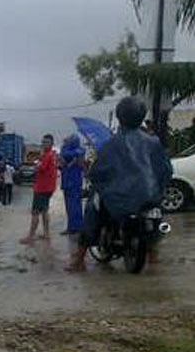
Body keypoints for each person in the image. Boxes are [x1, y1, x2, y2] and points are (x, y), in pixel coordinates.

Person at [66, 97, 173, 271]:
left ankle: (79, 258)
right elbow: (166, 170)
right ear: (140, 117)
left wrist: (93, 176)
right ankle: (154, 255)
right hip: (149, 196)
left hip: (119, 198)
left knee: (92, 210)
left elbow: (98, 172)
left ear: (119, 116)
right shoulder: (154, 142)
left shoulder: (111, 144)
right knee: (157, 213)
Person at [20, 134, 58, 244]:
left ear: (51, 144)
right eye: (43, 142)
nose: (44, 144)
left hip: (42, 188)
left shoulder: (48, 155)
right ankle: (46, 233)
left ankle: (30, 236)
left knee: (35, 212)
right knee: (45, 211)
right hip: (49, 187)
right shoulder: (52, 155)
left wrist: (37, 162)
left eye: (47, 142)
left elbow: (41, 168)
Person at [59, 134, 86, 235]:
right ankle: (74, 227)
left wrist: (74, 161)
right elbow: (62, 163)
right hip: (70, 182)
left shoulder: (77, 151)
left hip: (72, 182)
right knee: (73, 206)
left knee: (73, 206)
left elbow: (81, 165)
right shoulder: (76, 151)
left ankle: (74, 227)